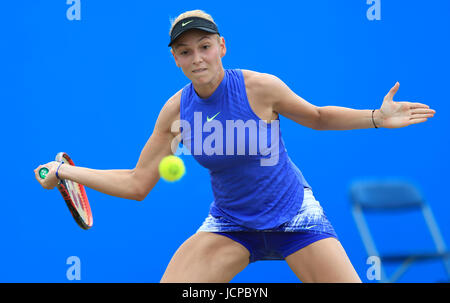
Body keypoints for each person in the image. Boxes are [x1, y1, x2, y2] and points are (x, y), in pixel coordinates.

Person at [34, 9, 435, 283]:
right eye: (185, 51)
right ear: (175, 59)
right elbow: (138, 184)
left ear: (221, 46)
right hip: (231, 225)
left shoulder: (260, 87)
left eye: (205, 47)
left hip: (295, 218)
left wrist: (376, 118)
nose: (197, 58)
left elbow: (316, 117)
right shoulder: (175, 111)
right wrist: (66, 172)